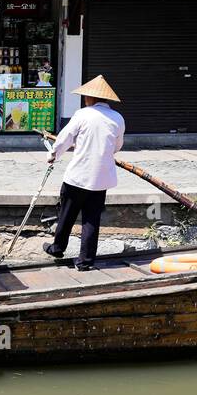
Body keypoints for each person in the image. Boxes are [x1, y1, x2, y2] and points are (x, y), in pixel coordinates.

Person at [43, 75, 125, 271]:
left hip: (78, 175)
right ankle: (85, 261)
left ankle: (57, 247)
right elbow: (117, 146)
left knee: (67, 213)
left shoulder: (82, 114)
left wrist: (53, 154)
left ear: (90, 98)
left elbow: (64, 138)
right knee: (91, 218)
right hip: (101, 178)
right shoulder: (118, 118)